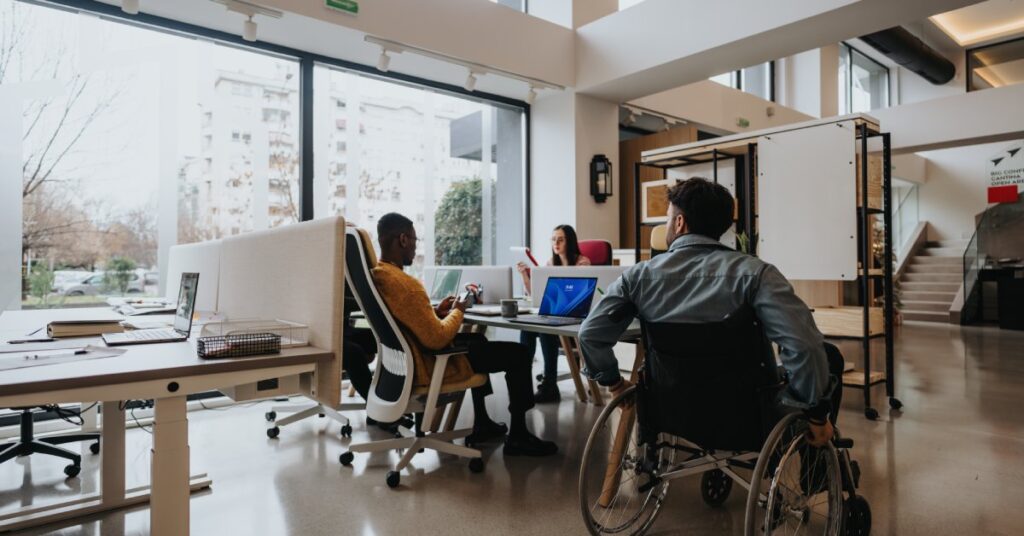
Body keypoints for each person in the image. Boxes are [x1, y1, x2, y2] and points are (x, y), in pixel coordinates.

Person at [578, 178, 844, 447]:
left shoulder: (637, 277)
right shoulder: (757, 274)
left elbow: (590, 334)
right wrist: (816, 413)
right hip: (747, 414)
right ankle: (817, 458)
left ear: (680, 222)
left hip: (669, 409)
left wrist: (614, 384)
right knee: (828, 356)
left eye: (669, 219)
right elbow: (804, 346)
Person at [371, 213, 558, 457]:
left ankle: (482, 423)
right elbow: (437, 339)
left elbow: (407, 321)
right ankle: (519, 436)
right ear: (403, 239)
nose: (416, 249)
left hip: (408, 362)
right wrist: (459, 310)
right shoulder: (407, 285)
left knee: (479, 340)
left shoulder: (381, 275)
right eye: (415, 241)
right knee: (519, 354)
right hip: (431, 363)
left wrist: (436, 311)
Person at [516, 224, 592, 403]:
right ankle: (524, 384)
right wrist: (525, 276)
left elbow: (578, 297)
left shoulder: (583, 263)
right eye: (553, 240)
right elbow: (537, 295)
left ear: (570, 241)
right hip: (556, 317)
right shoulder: (550, 264)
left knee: (545, 328)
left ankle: (550, 385)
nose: (556, 243)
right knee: (527, 328)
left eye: (561, 239)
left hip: (576, 319)